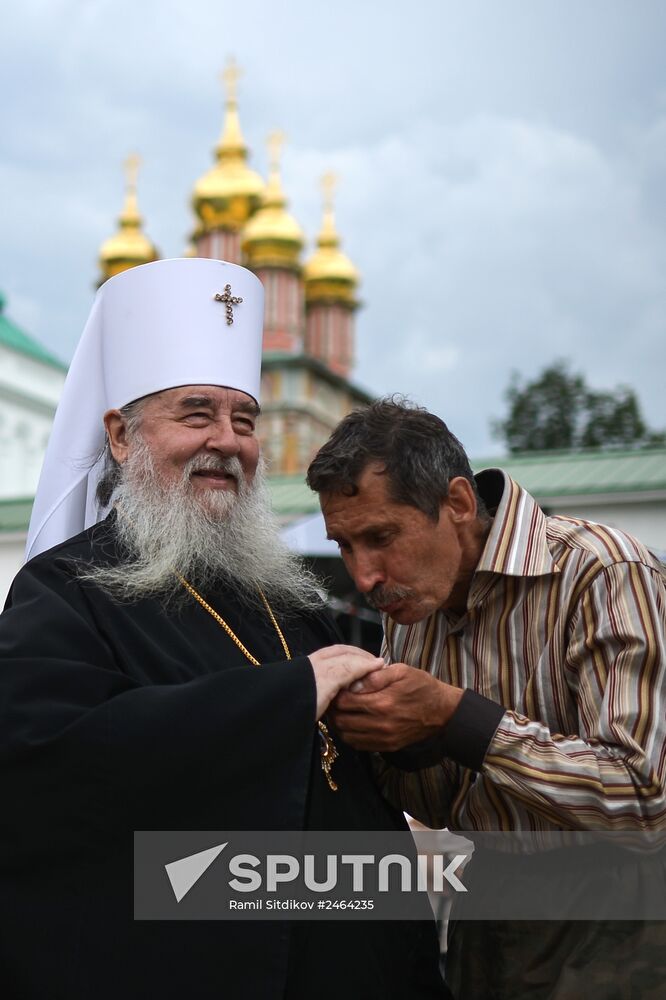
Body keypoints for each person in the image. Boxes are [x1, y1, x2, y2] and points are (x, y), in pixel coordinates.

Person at [0, 262, 450, 1000]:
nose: (228, 441)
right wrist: (289, 696)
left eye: (245, 421)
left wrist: (418, 723)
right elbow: (48, 761)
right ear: (119, 435)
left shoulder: (288, 598)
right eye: (196, 413)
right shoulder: (67, 590)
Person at [306, 397, 666, 1000]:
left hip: (626, 911)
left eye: (380, 536)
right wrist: (401, 742)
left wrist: (456, 716)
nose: (364, 575)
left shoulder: (601, 571)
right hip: (488, 905)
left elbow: (644, 797)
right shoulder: (412, 603)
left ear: (458, 504)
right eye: (345, 545)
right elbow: (444, 804)